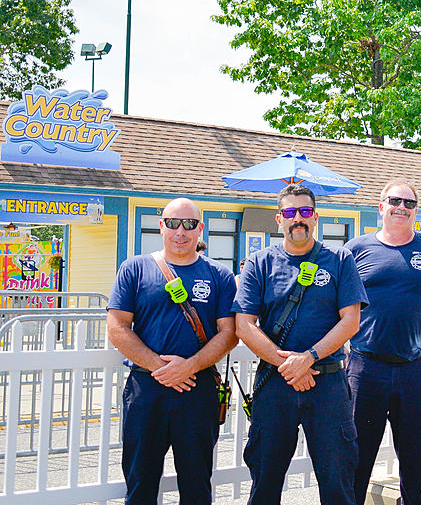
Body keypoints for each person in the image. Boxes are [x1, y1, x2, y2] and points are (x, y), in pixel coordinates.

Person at [234, 184, 367, 505]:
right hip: (275, 384)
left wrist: (309, 357)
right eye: (291, 213)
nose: (298, 219)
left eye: (305, 212)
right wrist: (289, 365)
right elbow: (243, 325)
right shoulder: (259, 263)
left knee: (337, 482)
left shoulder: (339, 259)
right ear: (279, 219)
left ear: (316, 217)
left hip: (328, 384)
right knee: (265, 481)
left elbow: (350, 321)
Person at [106, 198, 238, 505]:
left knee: (196, 485)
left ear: (200, 229)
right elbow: (117, 327)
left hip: (197, 389)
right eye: (174, 223)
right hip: (146, 389)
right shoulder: (134, 269)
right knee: (141, 482)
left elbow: (229, 334)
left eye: (190, 224)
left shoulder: (218, 276)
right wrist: (159, 367)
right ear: (161, 226)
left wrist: (188, 367)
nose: (181, 231)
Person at [345, 180, 421, 505]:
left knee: (416, 464)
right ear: (381, 207)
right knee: (354, 461)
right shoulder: (355, 250)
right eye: (394, 201)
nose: (401, 207)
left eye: (409, 203)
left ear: (415, 211)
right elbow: (334, 301)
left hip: (415, 371)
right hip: (365, 369)